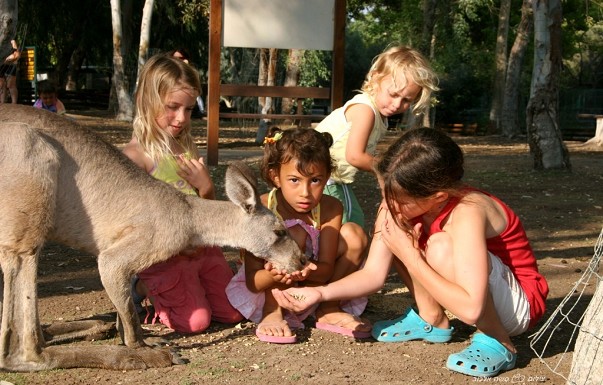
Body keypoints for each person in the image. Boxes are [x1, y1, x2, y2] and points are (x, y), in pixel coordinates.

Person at [272, 128, 549, 377]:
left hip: (515, 306)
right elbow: (373, 274)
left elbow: (471, 308)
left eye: (400, 200)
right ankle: (431, 319)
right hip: (473, 293)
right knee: (404, 237)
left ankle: (499, 341)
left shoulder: (468, 210)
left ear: (438, 197)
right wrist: (320, 293)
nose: (390, 205)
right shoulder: (396, 204)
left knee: (437, 246)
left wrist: (411, 253)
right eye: (386, 192)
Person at [122, 53, 243, 333]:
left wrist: (206, 186)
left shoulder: (187, 148)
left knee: (236, 312)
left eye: (188, 110)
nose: (181, 118)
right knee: (194, 322)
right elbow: (134, 224)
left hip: (202, 247)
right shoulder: (135, 157)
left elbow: (207, 209)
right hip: (164, 253)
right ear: (146, 101)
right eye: (172, 107)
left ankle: (196, 286)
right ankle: (144, 286)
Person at [226, 127, 372, 344]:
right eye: (294, 180)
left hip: (314, 286)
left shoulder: (331, 207)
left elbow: (325, 271)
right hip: (266, 289)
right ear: (276, 177)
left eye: (315, 181)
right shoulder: (261, 208)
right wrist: (275, 275)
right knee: (292, 233)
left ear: (327, 177)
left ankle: (328, 307)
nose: (305, 192)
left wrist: (302, 271)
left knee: (355, 235)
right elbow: (253, 282)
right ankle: (272, 311)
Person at [314, 45, 439, 273]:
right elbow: (355, 155)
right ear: (375, 78)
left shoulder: (374, 111)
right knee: (354, 227)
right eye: (393, 94)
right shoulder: (366, 110)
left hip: (326, 179)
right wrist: (385, 169)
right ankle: (337, 281)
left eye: (406, 100)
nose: (397, 105)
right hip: (326, 181)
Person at [168, 47, 205, 116]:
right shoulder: (167, 73)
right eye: (175, 58)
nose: (177, 61)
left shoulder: (191, 73)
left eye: (181, 58)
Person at [0, 39, 20, 104]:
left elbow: (16, 54)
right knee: (1, 84)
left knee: (11, 84)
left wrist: (11, 57)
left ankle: (14, 103)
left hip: (11, 63)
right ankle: (2, 103)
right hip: (1, 63)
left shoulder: (12, 41)